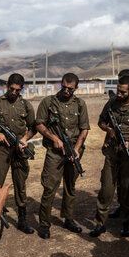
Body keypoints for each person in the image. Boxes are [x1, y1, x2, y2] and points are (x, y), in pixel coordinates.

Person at [90, 73, 129, 238]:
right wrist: (108, 129)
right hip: (112, 153)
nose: (119, 94)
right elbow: (101, 121)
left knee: (126, 190)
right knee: (106, 189)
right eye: (118, 90)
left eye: (123, 92)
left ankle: (126, 222)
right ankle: (100, 224)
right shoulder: (112, 103)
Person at [35, 73, 90, 239]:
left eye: (70, 88)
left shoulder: (80, 104)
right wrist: (54, 138)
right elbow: (39, 124)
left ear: (76, 88)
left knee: (70, 186)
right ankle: (44, 223)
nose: (66, 90)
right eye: (64, 87)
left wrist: (77, 149)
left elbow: (85, 128)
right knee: (50, 187)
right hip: (55, 152)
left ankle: (69, 219)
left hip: (74, 151)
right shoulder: (48, 102)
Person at [0, 73, 36, 235]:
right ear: (7, 85)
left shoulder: (26, 106)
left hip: (19, 150)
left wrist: (25, 139)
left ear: (22, 89)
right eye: (11, 89)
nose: (14, 93)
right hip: (1, 149)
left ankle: (22, 220)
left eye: (17, 90)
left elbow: (34, 127)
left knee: (20, 184)